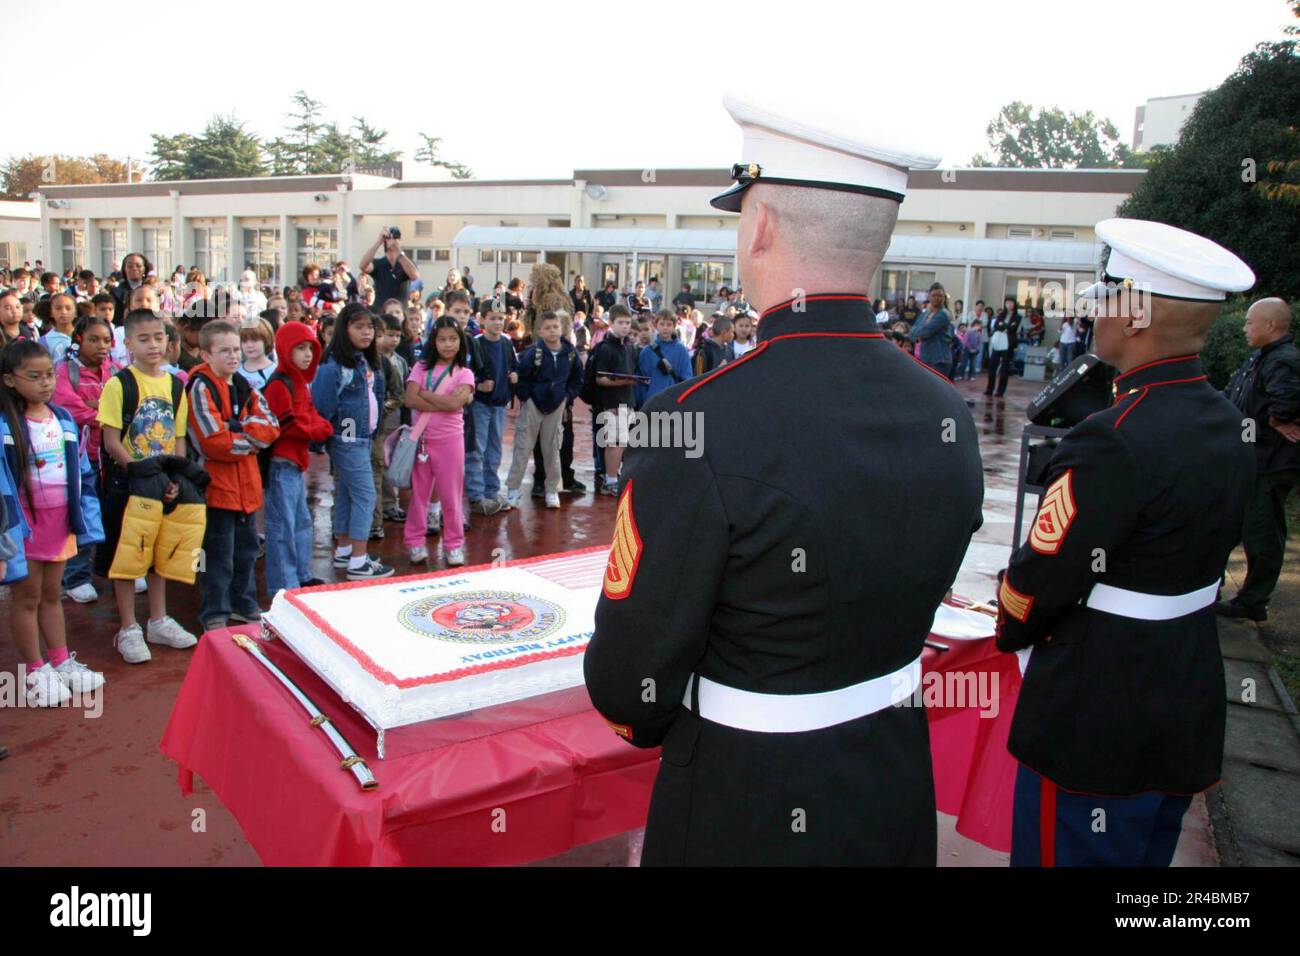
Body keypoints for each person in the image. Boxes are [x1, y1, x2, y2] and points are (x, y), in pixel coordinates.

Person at [584, 94, 983, 865]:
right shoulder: (945, 410)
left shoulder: (692, 420)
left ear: (760, 225)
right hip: (893, 786)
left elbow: (630, 685)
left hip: (743, 802)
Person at [996, 218, 1256, 867]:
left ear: (1136, 317)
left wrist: (1007, 620)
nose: (1095, 314)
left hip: (1097, 711)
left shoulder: (1111, 438)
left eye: (1107, 299)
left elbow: (1040, 584)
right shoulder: (1228, 419)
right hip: (1182, 697)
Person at [0, 339, 106, 706]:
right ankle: (35, 669)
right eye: (34, 376)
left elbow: (83, 472)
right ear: (9, 380)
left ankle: (61, 660)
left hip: (60, 522)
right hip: (23, 527)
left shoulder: (62, 418)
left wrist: (86, 519)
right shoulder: (5, 425)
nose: (45, 383)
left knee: (51, 594)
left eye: (49, 375)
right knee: (26, 596)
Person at [95, 309, 198, 662]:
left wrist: (176, 476)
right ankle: (128, 627)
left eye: (158, 337)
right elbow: (111, 441)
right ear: (128, 343)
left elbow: (178, 438)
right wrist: (141, 471)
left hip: (163, 481)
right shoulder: (119, 384)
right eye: (143, 339)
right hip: (129, 481)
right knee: (127, 554)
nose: (153, 345)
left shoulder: (175, 385)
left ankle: (158, 619)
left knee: (159, 552)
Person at [186, 320, 280, 631]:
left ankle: (243, 603)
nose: (234, 355)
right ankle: (214, 611)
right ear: (206, 354)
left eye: (236, 349)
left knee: (246, 552)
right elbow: (212, 443)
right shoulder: (200, 386)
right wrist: (250, 441)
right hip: (215, 488)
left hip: (246, 487)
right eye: (224, 350)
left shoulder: (243, 385)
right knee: (216, 556)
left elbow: (271, 427)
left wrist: (236, 429)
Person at [1217, 297, 1300, 622]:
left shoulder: (1283, 361)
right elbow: (1237, 395)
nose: (1245, 328)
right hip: (1252, 459)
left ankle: (1253, 601)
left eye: (1250, 322)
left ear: (1270, 325)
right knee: (1229, 524)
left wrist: (1278, 420)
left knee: (1260, 533)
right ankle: (1213, 586)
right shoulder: (1262, 357)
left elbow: (1287, 401)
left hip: (1269, 464)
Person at [311, 304, 393, 581]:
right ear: (344, 330)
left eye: (370, 327)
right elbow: (323, 404)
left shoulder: (363, 360)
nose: (366, 332)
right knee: (366, 495)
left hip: (361, 437)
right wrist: (321, 440)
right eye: (359, 327)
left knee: (347, 492)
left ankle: (345, 549)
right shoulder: (335, 365)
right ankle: (358, 560)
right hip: (348, 438)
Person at [262, 321, 332, 595]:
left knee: (301, 523)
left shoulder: (298, 382)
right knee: (283, 528)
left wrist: (317, 427)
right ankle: (284, 584)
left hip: (294, 464)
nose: (308, 354)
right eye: (300, 348)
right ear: (285, 349)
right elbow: (288, 426)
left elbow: (311, 416)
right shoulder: (279, 384)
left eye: (310, 349)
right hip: (281, 464)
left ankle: (300, 575)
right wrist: (317, 430)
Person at [54, 314, 119, 604]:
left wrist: (96, 406)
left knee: (111, 513)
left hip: (111, 456)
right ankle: (76, 577)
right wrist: (104, 411)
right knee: (81, 515)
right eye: (93, 339)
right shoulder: (66, 372)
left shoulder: (115, 371)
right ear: (78, 340)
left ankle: (109, 568)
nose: (101, 346)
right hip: (81, 459)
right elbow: (71, 409)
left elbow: (125, 406)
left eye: (106, 340)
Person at [402, 317, 476, 566]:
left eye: (453, 339)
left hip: (451, 441)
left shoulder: (465, 373)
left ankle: (454, 545)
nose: (447, 344)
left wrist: (424, 394)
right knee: (419, 495)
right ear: (433, 341)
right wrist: (442, 402)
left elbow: (455, 403)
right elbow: (409, 399)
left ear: (460, 342)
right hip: (421, 439)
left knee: (451, 496)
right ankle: (415, 541)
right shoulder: (420, 367)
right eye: (442, 339)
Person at [466, 299, 518, 515]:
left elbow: (512, 366)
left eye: (501, 318)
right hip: (480, 404)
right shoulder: (476, 343)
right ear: (482, 319)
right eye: (493, 318)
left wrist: (513, 376)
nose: (497, 322)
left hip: (499, 404)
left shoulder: (506, 343)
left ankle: (491, 491)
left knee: (495, 450)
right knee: (477, 449)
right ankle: (476, 494)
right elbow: (466, 373)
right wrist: (478, 385)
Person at [590, 304, 638, 496]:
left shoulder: (629, 347)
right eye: (621, 322)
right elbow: (600, 378)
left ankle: (613, 476)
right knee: (614, 442)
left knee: (622, 442)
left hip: (627, 400)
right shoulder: (605, 348)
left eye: (627, 322)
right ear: (610, 323)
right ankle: (610, 480)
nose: (625, 326)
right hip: (611, 402)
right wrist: (623, 381)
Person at [370, 313, 407, 539]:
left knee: (386, 463)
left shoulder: (397, 362)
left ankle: (387, 506)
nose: (392, 340)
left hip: (389, 422)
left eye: (396, 335)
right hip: (357, 428)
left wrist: (382, 410)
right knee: (371, 467)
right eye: (386, 335)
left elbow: (399, 393)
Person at [638, 309, 693, 401]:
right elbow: (642, 380)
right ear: (656, 325)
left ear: (674, 326)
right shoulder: (647, 351)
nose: (665, 328)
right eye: (662, 324)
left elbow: (687, 378)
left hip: (673, 399)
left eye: (669, 324)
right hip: (652, 400)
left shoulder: (681, 350)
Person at [360, 228, 419, 308]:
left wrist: (398, 250)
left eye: (395, 237)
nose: (392, 240)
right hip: (380, 310)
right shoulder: (378, 263)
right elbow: (363, 266)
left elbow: (415, 276)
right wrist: (379, 242)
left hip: (400, 310)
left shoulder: (406, 263)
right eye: (389, 238)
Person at [909, 282, 954, 377]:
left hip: (939, 360)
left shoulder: (944, 314)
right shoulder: (926, 313)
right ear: (929, 296)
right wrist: (916, 335)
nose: (937, 298)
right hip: (926, 358)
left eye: (940, 295)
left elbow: (925, 331)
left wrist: (918, 334)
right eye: (934, 295)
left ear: (944, 297)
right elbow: (913, 329)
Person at [984, 296, 1020, 397]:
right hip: (998, 342)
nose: (1009, 305)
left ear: (1014, 304)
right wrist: (1005, 326)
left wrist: (1003, 325)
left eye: (1011, 303)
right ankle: (989, 389)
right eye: (1007, 303)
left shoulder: (1017, 316)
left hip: (1008, 344)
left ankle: (1000, 391)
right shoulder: (1001, 314)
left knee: (1005, 368)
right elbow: (996, 326)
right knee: (992, 367)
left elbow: (1013, 328)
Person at [110, 253, 151, 324]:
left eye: (138, 266)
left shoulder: (152, 290)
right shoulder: (116, 292)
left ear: (145, 269)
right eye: (130, 266)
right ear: (124, 269)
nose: (134, 268)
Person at [237, 319, 276, 390]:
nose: (249, 345)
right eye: (244, 341)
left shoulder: (275, 371)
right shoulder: (236, 370)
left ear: (266, 340)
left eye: (254, 340)